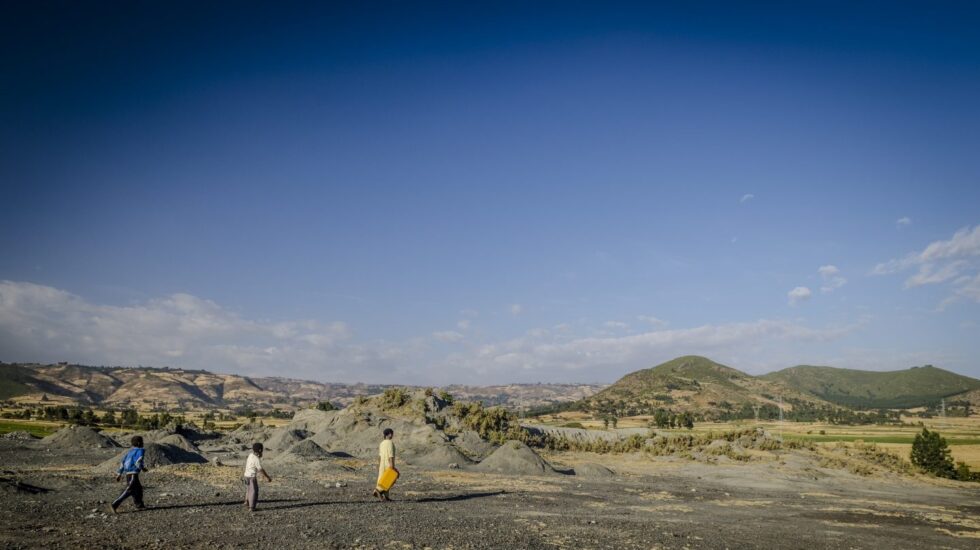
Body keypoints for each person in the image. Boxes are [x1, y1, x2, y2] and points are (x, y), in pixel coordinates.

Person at [111, 435, 148, 513]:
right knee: (129, 490)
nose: (143, 443)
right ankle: (115, 504)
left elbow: (122, 462)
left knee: (138, 489)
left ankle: (139, 505)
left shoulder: (130, 452)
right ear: (139, 443)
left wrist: (119, 474)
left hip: (128, 474)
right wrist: (142, 468)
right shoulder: (140, 450)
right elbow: (138, 461)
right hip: (133, 474)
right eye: (142, 442)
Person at [243, 442, 272, 512]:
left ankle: (246, 502)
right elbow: (260, 469)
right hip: (251, 477)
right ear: (260, 450)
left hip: (246, 475)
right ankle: (252, 507)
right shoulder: (256, 459)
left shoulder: (250, 455)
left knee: (248, 490)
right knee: (254, 491)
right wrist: (267, 477)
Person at [373, 428, 397, 501]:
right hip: (388, 464)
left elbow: (380, 456)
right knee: (389, 479)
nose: (392, 435)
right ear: (389, 434)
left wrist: (379, 465)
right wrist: (392, 465)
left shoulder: (382, 443)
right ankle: (378, 490)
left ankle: (386, 496)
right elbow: (390, 454)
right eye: (392, 433)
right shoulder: (390, 443)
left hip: (382, 464)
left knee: (382, 479)